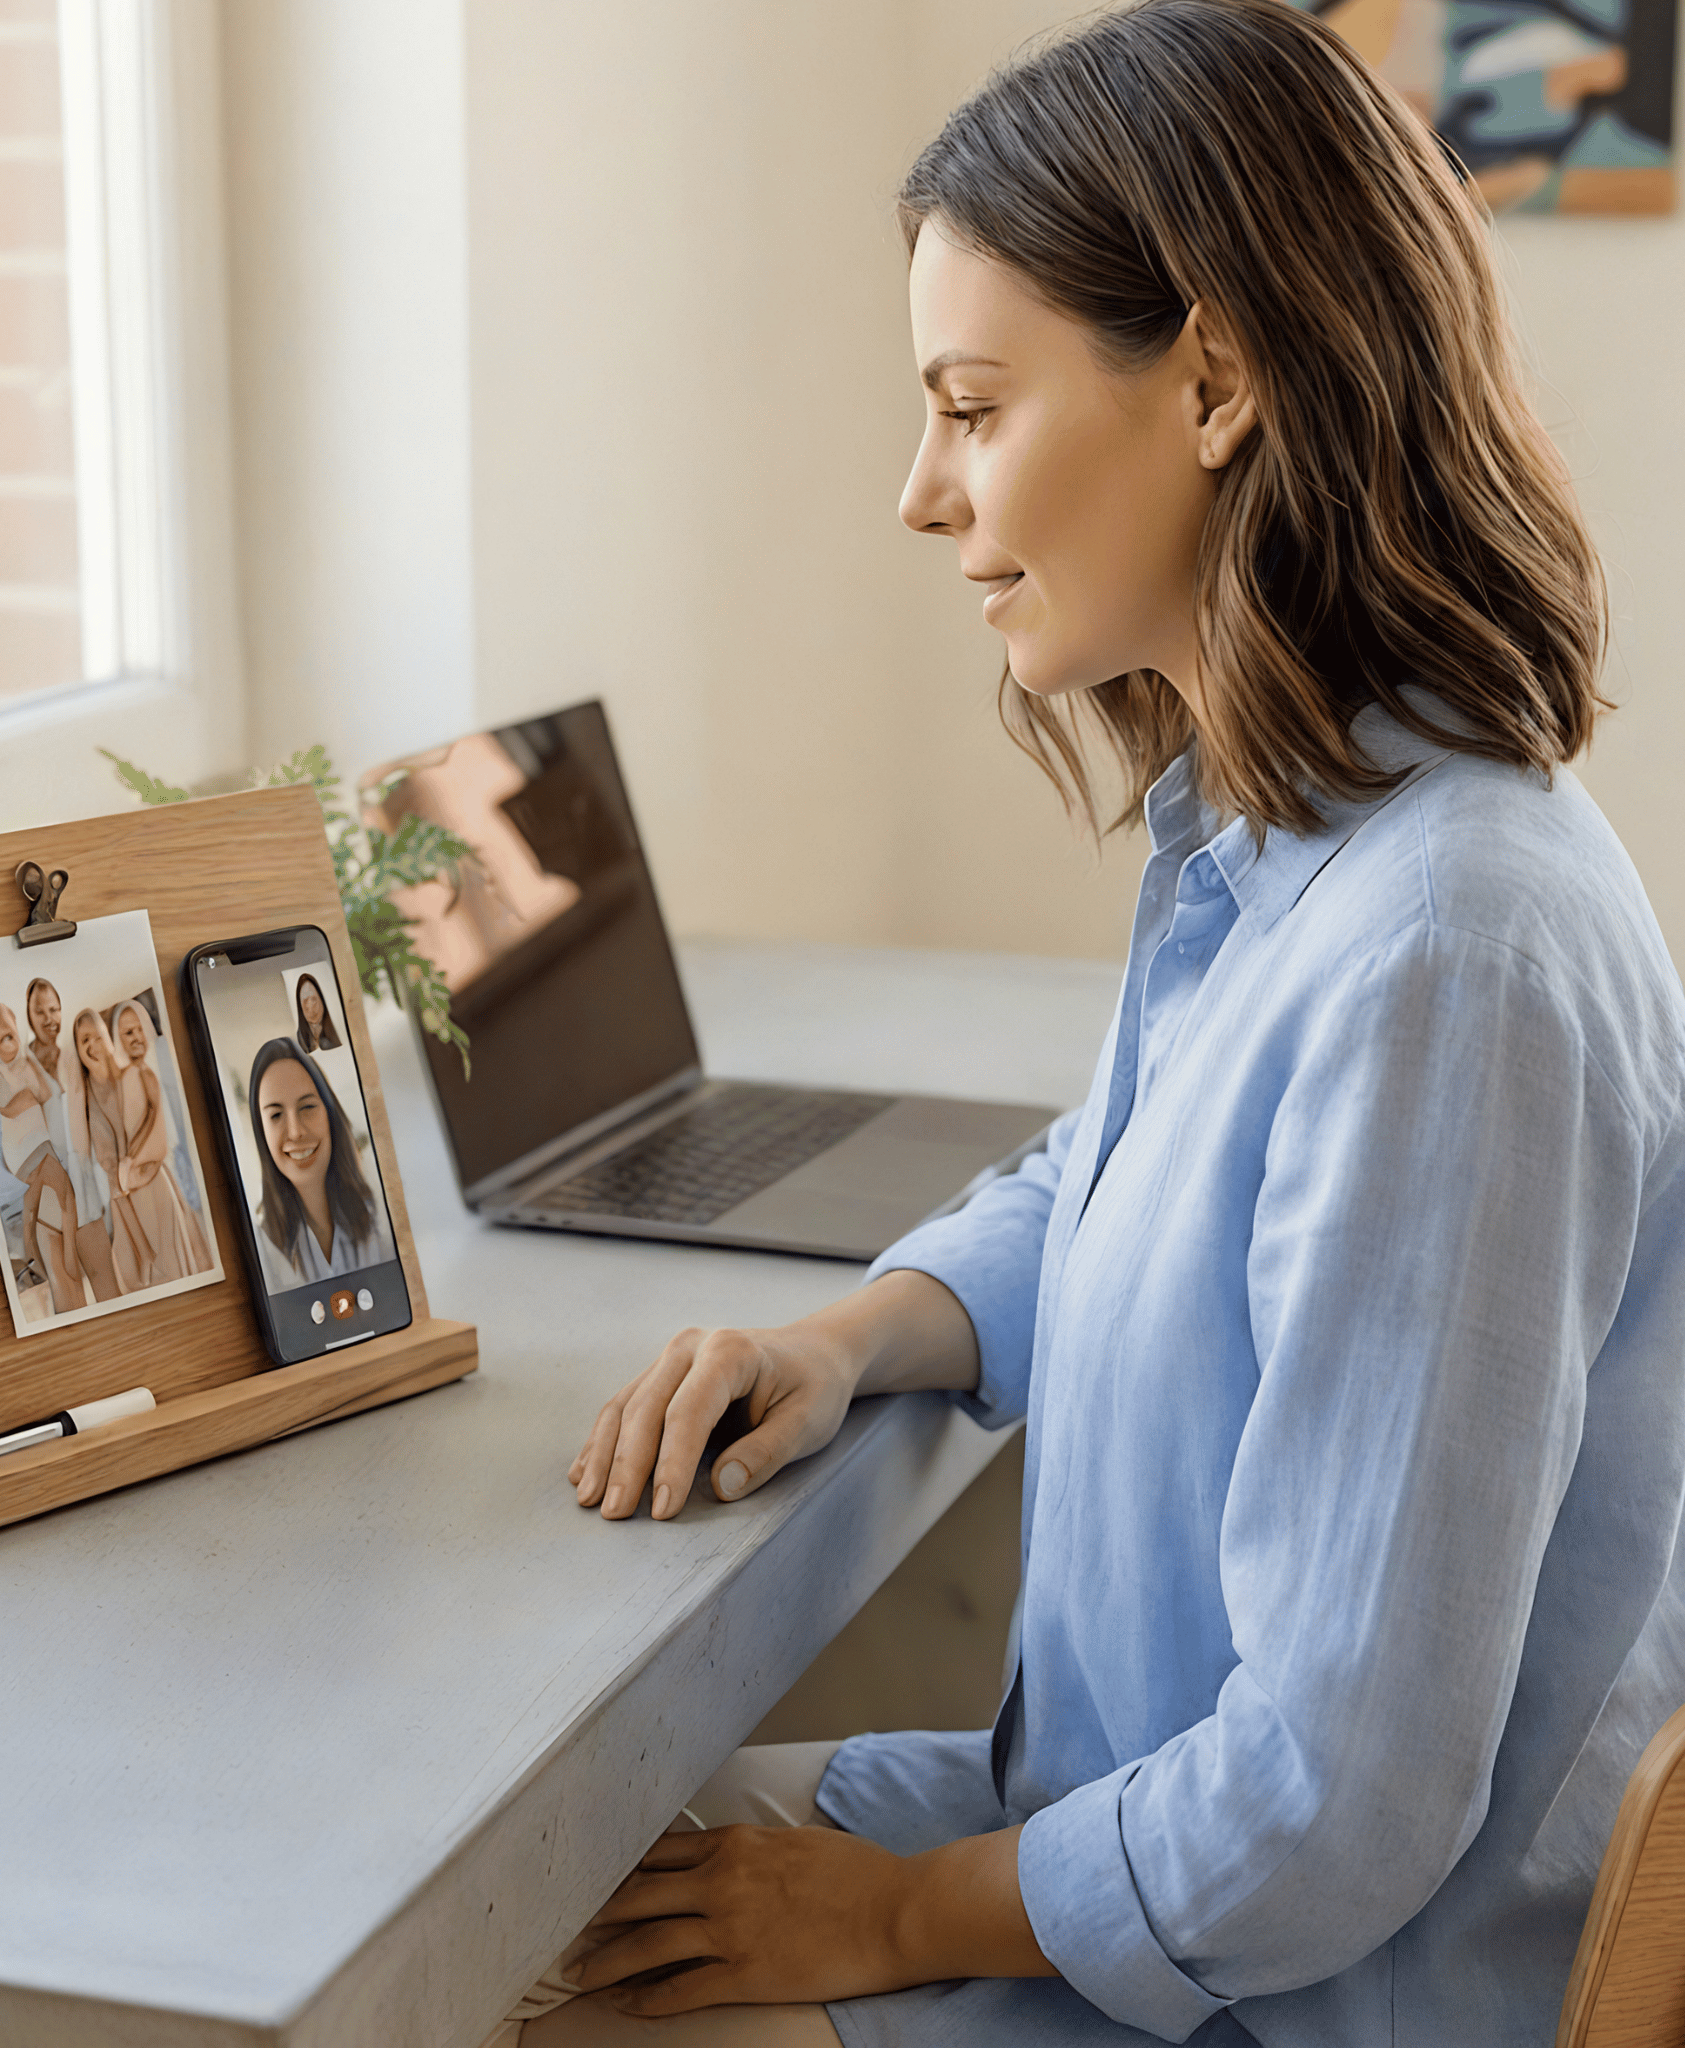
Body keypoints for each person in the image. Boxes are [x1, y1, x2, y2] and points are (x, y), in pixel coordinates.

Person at [518, 2, 1685, 2044]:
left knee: (520, 1975)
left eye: (972, 405)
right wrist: (858, 1330)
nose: (916, 489)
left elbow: (1334, 1805)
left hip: (1317, 1983)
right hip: (1133, 1854)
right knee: (551, 1906)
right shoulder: (1301, 833)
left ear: (1214, 378)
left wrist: (885, 1923)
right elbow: (1136, 1172)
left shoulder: (1447, 949)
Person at [75, 1003, 212, 1292]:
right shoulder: (90, 1098)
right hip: (128, 1200)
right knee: (151, 1279)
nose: (92, 1045)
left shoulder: (136, 1074)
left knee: (181, 1268)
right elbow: (111, 1170)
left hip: (156, 1183)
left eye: (96, 1035)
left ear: (109, 1037)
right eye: (83, 1041)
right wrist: (140, 1246)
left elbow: (157, 1130)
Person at [246, 1037, 390, 1288]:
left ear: (330, 1113)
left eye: (308, 1106)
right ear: (262, 1133)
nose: (295, 1131)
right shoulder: (262, 1249)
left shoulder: (380, 1208)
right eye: (276, 1115)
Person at [24, 976, 121, 1308]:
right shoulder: (21, 1066)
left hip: (83, 1186)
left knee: (106, 1283)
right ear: (29, 1014)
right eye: (41, 1011)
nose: (50, 1018)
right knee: (69, 1301)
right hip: (50, 1191)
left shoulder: (73, 1056)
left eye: (55, 1009)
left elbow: (105, 1091)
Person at [0, 1001, 81, 1293]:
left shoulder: (26, 1064)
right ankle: (70, 1256)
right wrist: (27, 1095)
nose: (7, 1043)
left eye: (10, 1034)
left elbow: (46, 1092)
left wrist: (29, 1088)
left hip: (40, 1141)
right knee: (64, 1189)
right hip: (22, 1147)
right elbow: (7, 1109)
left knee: (33, 1201)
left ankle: (33, 1260)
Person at [293, 970, 343, 1053]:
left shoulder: (338, 1028)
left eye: (313, 999)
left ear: (321, 999)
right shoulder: (300, 1038)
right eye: (305, 1001)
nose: (310, 1007)